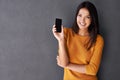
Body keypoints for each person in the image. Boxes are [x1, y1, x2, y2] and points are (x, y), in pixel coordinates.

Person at [52, 1, 104, 80]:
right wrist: (61, 40)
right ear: (76, 16)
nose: (82, 20)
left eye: (87, 17)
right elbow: (63, 62)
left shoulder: (98, 39)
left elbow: (93, 70)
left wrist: (67, 65)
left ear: (92, 19)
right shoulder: (66, 33)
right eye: (80, 15)